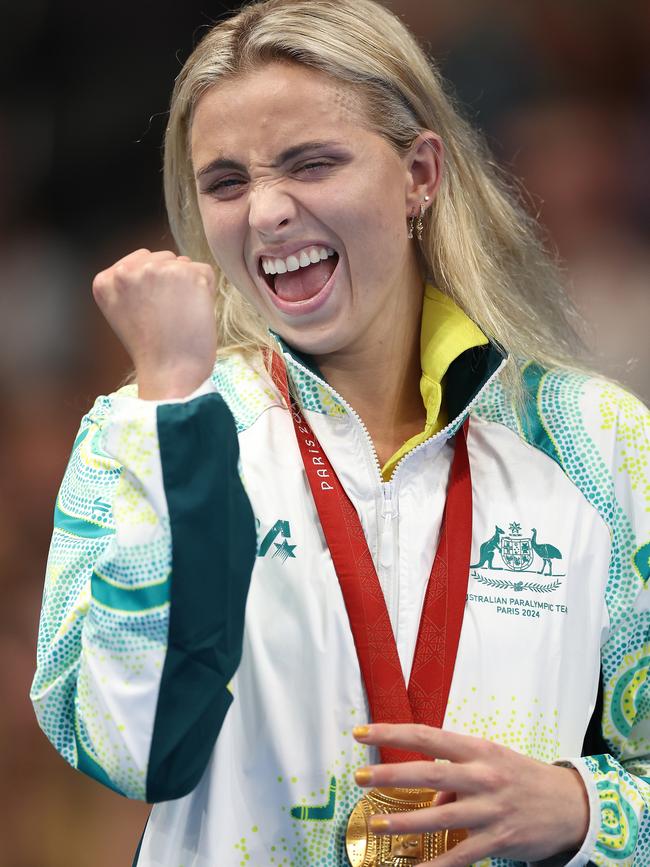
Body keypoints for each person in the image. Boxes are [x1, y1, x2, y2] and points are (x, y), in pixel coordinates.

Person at [31, 0, 650, 864]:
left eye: (312, 163)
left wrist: (584, 808)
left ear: (419, 175)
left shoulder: (593, 443)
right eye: (227, 182)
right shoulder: (139, 435)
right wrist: (171, 409)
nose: (268, 212)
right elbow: (135, 749)